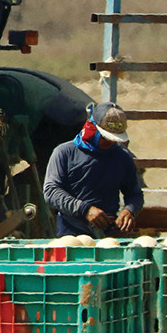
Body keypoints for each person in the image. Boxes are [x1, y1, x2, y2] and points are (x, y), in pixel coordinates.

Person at [42, 101, 143, 237]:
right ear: (91, 128)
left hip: (108, 234)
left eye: (115, 139)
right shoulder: (65, 153)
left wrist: (129, 210)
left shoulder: (122, 157)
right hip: (71, 233)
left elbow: (135, 194)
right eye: (106, 138)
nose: (111, 142)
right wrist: (84, 209)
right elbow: (51, 191)